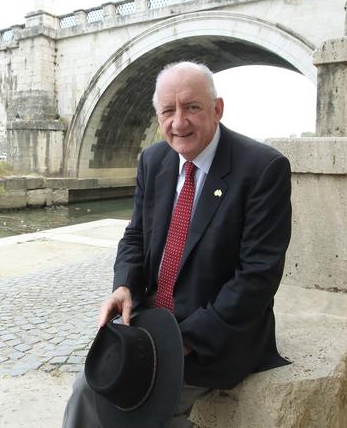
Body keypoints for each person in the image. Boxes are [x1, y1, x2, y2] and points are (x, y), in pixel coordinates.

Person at [62, 61, 292, 428]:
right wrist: (124, 286)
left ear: (217, 109)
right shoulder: (153, 160)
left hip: (218, 333)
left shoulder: (263, 169)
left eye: (192, 107)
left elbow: (258, 277)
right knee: (87, 390)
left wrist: (183, 341)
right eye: (168, 111)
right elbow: (135, 236)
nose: (178, 122)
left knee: (142, 412)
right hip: (153, 323)